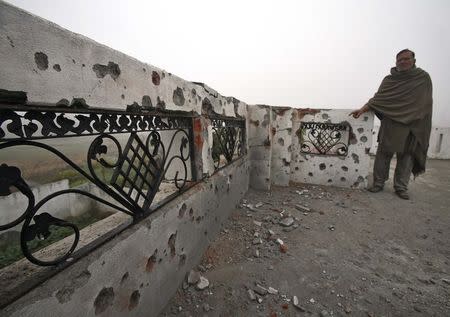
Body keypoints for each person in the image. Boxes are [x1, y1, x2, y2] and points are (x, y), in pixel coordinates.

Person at [350, 49, 433, 200]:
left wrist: (415, 117)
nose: (402, 62)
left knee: (406, 157)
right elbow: (379, 99)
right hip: (391, 123)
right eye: (399, 59)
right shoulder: (389, 80)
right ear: (396, 62)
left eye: (406, 59)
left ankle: (401, 187)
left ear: (414, 61)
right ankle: (378, 183)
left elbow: (426, 102)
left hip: (412, 125)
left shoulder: (423, 78)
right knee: (383, 154)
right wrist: (362, 110)